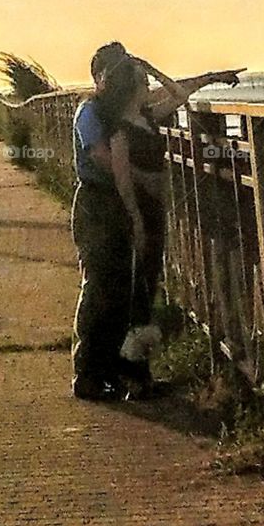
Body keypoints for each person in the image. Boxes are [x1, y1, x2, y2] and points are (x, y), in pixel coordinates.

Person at [71, 43, 242, 400]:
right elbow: (102, 157)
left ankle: (125, 373)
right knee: (101, 291)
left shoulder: (136, 112)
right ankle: (89, 375)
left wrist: (210, 77)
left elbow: (174, 93)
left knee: (132, 292)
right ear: (101, 76)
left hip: (128, 204)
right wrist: (143, 181)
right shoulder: (92, 112)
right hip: (99, 205)